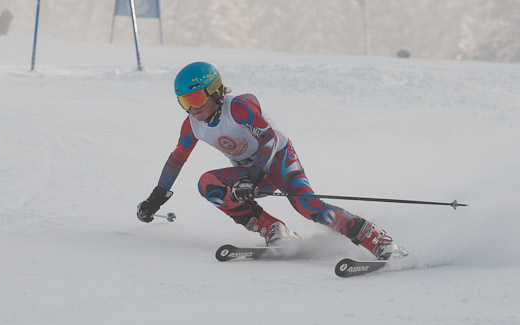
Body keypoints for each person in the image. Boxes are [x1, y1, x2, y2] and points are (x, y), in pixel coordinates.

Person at [137, 62, 408, 260]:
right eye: (184, 101)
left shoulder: (238, 107)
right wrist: (156, 198)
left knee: (307, 206)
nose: (192, 108)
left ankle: (380, 241)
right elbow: (176, 160)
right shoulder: (192, 126)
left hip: (278, 160)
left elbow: (268, 140)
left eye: (196, 98)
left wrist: (253, 176)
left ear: (215, 92)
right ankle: (273, 229)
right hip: (249, 173)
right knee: (208, 184)